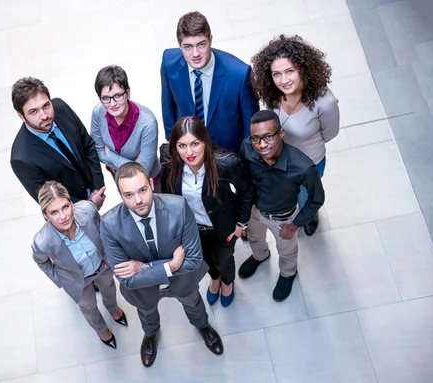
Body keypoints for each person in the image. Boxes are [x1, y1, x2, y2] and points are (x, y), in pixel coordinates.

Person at [100, 162, 223, 367]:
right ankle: (151, 335)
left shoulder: (178, 207)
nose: (138, 200)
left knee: (194, 303)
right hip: (143, 290)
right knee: (147, 314)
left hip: (183, 280)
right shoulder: (109, 224)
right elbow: (126, 279)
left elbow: (193, 260)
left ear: (150, 183)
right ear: (120, 194)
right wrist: (171, 265)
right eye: (129, 195)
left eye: (142, 190)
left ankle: (202, 326)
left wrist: (145, 267)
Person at [251, 34, 339, 236]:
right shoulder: (273, 93)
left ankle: (309, 216)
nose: (283, 80)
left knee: (306, 196)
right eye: (276, 74)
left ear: (302, 68)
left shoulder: (325, 102)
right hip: (279, 157)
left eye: (289, 71)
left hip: (310, 160)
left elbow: (330, 133)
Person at [160, 116, 253, 307]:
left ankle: (227, 281)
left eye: (195, 144)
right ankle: (215, 278)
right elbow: (168, 199)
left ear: (205, 141)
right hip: (193, 229)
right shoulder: (169, 164)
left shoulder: (227, 164)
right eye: (182, 145)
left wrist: (241, 223)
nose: (189, 152)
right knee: (206, 260)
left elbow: (247, 192)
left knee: (223, 259)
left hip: (223, 226)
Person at [239, 110, 325, 302]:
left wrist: (295, 225)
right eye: (256, 138)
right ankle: (260, 256)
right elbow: (243, 180)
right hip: (255, 209)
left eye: (268, 136)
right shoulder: (246, 148)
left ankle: (288, 274)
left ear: (281, 133)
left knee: (287, 251)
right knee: (254, 238)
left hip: (283, 218)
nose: (261, 145)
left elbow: (317, 198)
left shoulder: (303, 167)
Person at [31, 181, 128, 349]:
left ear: (71, 204)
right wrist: (61, 280)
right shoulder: (42, 241)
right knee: (88, 306)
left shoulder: (88, 211)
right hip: (77, 280)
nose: (63, 216)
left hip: (102, 266)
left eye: (65, 207)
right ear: (45, 215)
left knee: (109, 288)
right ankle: (101, 329)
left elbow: (103, 233)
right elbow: (42, 262)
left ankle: (113, 308)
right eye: (54, 212)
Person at [160, 11, 259, 153]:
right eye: (188, 46)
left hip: (226, 154)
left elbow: (250, 123)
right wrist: (174, 144)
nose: (195, 54)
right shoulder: (168, 63)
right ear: (179, 45)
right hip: (188, 152)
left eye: (201, 44)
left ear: (210, 40)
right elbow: (167, 107)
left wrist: (244, 161)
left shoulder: (239, 74)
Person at [10, 77, 107, 208]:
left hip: (94, 192)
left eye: (46, 105)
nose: (44, 115)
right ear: (21, 116)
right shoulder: (22, 158)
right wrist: (89, 206)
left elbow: (88, 146)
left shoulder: (61, 108)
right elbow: (49, 199)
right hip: (70, 212)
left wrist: (97, 190)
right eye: (34, 111)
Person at [90, 65, 161, 190]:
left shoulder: (148, 123)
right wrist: (133, 164)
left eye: (118, 96)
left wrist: (110, 156)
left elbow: (142, 170)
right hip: (118, 177)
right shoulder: (98, 112)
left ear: (128, 92)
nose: (112, 104)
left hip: (148, 183)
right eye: (106, 98)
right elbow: (98, 151)